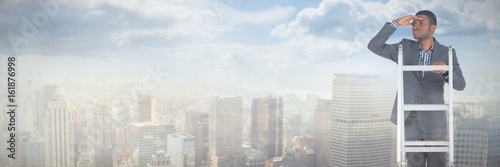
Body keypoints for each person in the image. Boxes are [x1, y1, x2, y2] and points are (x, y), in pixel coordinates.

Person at [367, 10, 466, 166]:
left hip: (435, 124)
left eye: (421, 23)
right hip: (410, 122)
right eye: (414, 23)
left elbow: (461, 85)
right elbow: (374, 46)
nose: (415, 27)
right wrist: (396, 23)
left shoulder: (447, 53)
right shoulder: (404, 47)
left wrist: (446, 71)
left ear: (433, 28)